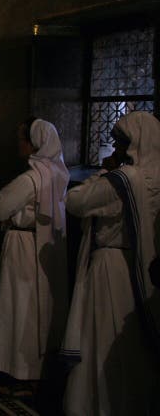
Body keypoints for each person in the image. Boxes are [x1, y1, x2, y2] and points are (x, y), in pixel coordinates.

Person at [61, 111, 160, 415]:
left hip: (111, 265)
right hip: (139, 266)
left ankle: (97, 403)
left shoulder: (123, 179)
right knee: (130, 344)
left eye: (120, 143)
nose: (115, 150)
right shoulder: (154, 175)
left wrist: (102, 174)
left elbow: (76, 201)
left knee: (101, 338)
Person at [0, 118, 69, 381]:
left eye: (22, 139)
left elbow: (0, 207)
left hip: (23, 246)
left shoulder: (32, 178)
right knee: (41, 305)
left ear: (34, 144)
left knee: (20, 304)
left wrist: (6, 216)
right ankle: (39, 364)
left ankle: (19, 367)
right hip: (47, 246)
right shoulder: (59, 173)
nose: (19, 144)